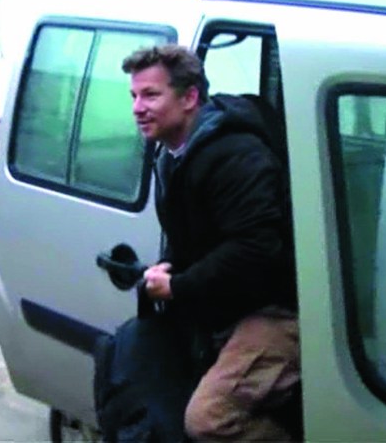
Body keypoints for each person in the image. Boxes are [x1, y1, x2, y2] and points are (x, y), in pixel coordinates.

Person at [121, 44, 300, 441]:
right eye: (133, 96)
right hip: (227, 307)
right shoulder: (173, 152)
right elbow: (197, 235)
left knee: (209, 419)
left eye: (150, 95)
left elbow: (256, 248)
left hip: (276, 312)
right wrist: (170, 266)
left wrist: (180, 286)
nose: (137, 107)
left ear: (189, 98)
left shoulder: (236, 155)